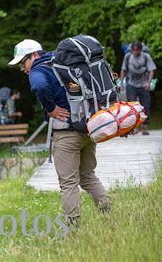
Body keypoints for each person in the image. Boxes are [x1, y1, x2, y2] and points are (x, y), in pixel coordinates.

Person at [8, 39, 110, 228]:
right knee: (88, 175)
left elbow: (39, 87)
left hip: (66, 134)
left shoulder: (38, 70)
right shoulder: (61, 61)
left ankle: (74, 228)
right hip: (87, 127)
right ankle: (108, 214)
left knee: (68, 182)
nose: (22, 68)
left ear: (35, 55)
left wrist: (51, 108)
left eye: (23, 62)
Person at [120, 41, 156, 135]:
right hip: (131, 84)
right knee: (132, 107)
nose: (135, 52)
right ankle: (134, 127)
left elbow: (151, 70)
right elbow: (123, 70)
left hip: (143, 85)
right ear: (131, 50)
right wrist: (122, 84)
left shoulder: (145, 57)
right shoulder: (128, 56)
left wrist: (148, 82)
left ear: (140, 49)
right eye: (133, 50)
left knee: (145, 106)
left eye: (137, 50)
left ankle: (145, 127)